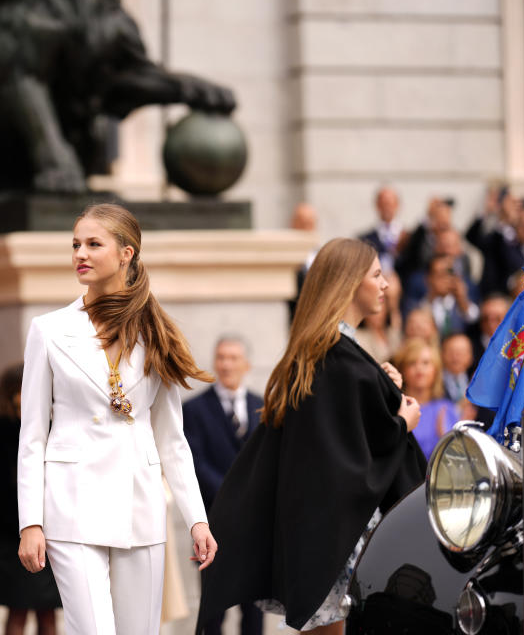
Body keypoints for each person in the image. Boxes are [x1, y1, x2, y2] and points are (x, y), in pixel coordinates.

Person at [197, 238, 425, 634]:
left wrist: (382, 389)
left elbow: (344, 430)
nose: (386, 284)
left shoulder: (324, 352)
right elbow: (347, 455)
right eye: (376, 275)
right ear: (350, 283)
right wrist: (403, 421)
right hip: (339, 532)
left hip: (322, 528)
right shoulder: (337, 356)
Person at [17, 203, 216, 635]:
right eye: (75, 245)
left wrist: (197, 519)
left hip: (139, 504)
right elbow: (31, 435)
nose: (79, 254)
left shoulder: (155, 331)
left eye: (93, 244)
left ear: (126, 254)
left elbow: (172, 440)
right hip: (71, 504)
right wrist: (29, 522)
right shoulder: (48, 330)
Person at [182, 335, 263, 635]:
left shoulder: (262, 406)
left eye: (233, 358)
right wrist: (233, 498)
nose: (226, 364)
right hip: (212, 522)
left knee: (254, 609)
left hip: (254, 528)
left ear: (246, 364)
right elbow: (195, 463)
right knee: (213, 611)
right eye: (221, 357)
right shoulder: (194, 410)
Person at [0, 364, 61, 635]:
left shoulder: (52, 425)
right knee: (18, 612)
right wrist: (28, 521)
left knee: (48, 614)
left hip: (49, 534)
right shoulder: (0, 430)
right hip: (13, 537)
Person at [393, 338, 458, 459]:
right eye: (412, 363)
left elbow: (458, 459)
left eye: (426, 363)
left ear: (436, 370)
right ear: (402, 370)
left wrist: (445, 438)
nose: (419, 369)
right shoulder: (395, 408)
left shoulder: (446, 408)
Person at [359, 185, 404, 273]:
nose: (387, 208)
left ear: (397, 205)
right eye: (383, 204)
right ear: (377, 206)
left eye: (390, 204)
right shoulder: (365, 239)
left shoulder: (407, 237)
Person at [441, 333, 474, 405]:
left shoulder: (475, 381)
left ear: (470, 356)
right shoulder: (434, 383)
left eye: (461, 352)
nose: (456, 357)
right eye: (451, 352)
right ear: (442, 354)